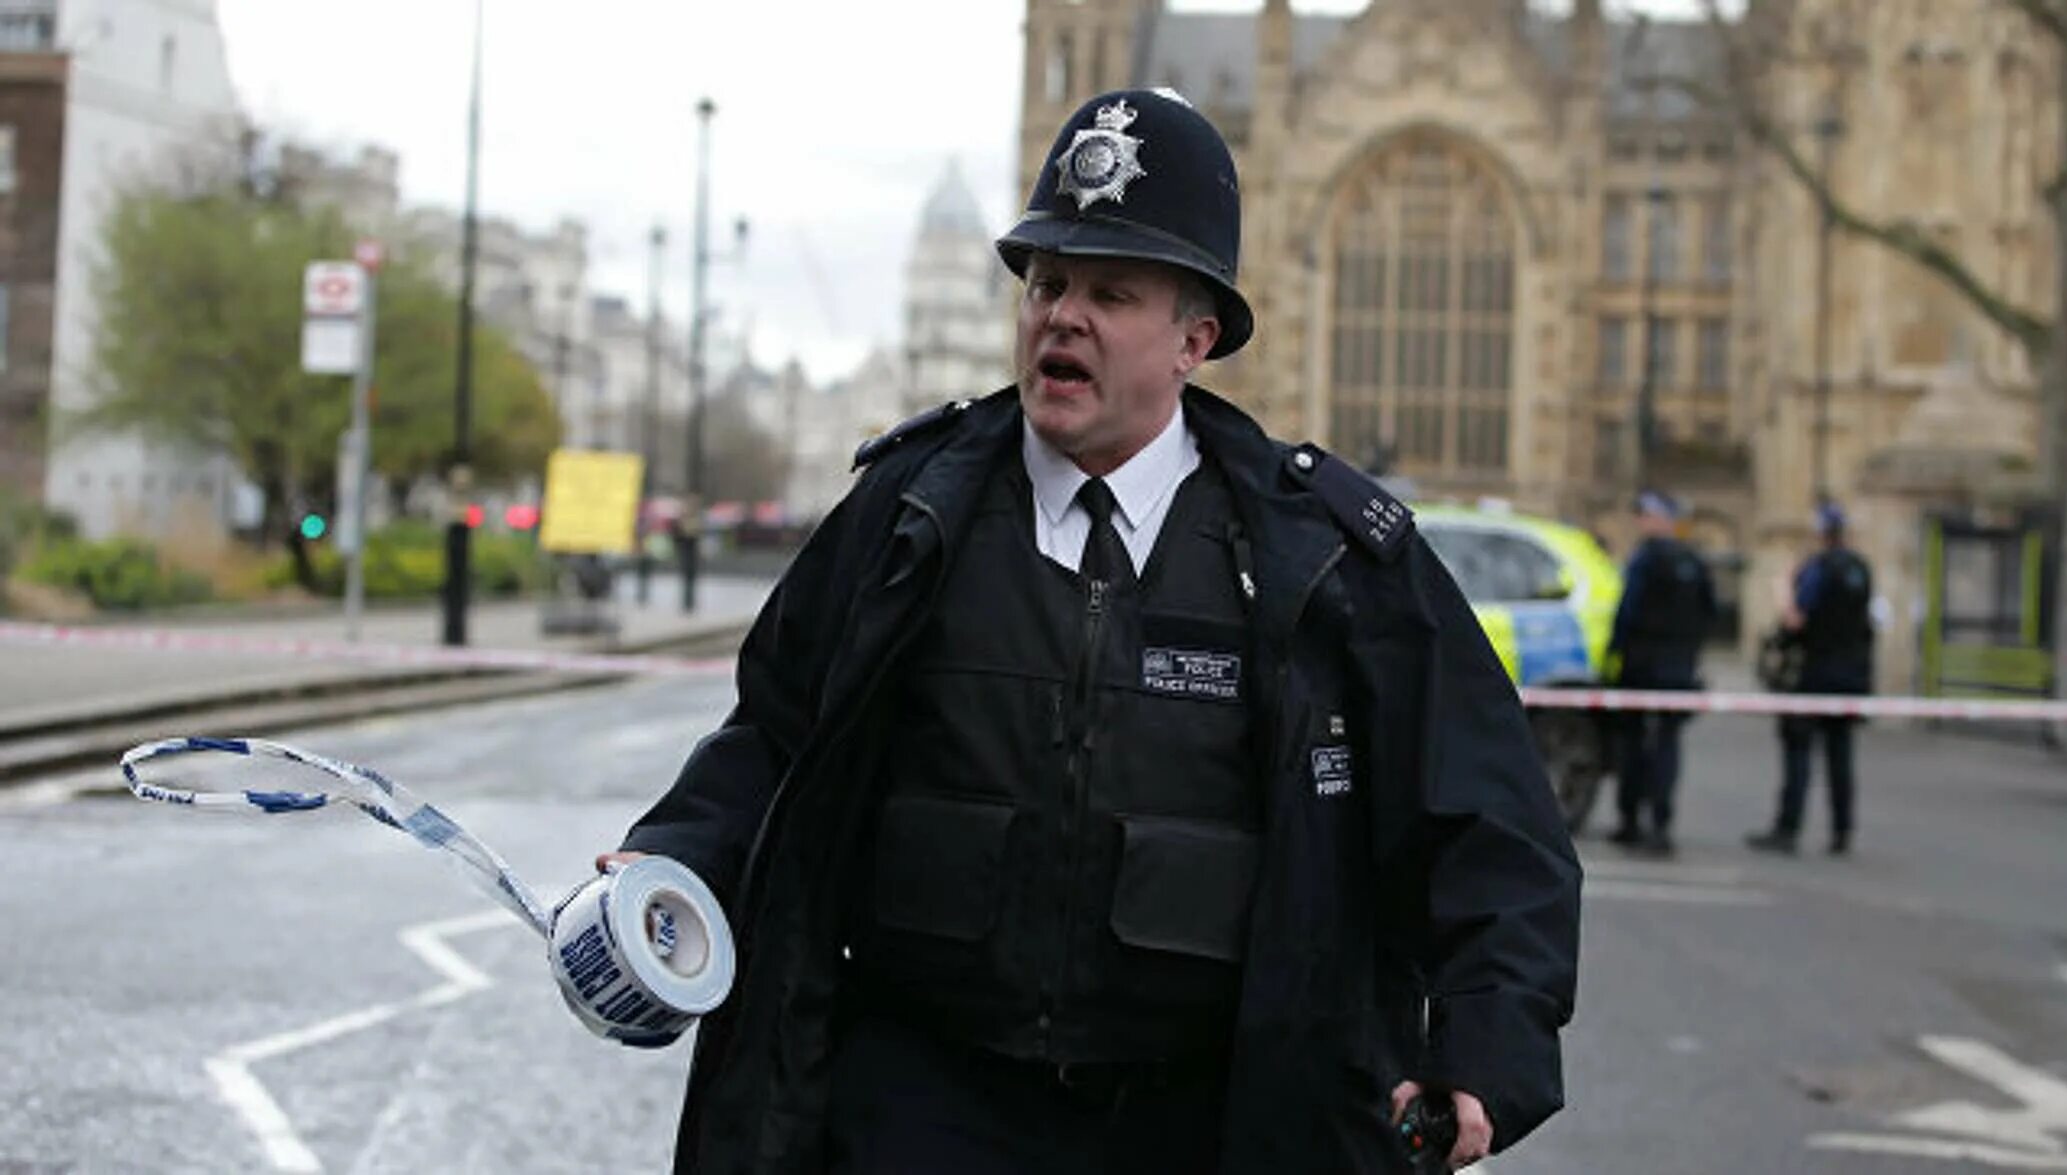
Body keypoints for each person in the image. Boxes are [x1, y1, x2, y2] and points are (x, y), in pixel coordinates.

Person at [598, 89, 1580, 1175]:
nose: (1061, 314)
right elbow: (775, 737)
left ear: (1193, 338)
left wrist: (1489, 1032)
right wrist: (672, 857)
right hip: (920, 1105)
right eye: (1048, 283)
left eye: (1109, 292)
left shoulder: (1325, 557)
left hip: (1204, 1116)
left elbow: (1488, 814)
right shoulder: (908, 512)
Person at [1748, 500, 1874, 856]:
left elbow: (1795, 620)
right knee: (1841, 754)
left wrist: (1784, 588)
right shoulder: (1860, 569)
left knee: (1799, 752)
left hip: (1814, 671)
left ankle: (1788, 828)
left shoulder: (1818, 569)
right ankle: (1842, 830)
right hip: (1850, 674)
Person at [1606, 490, 1716, 855]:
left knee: (1635, 743)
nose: (1641, 522)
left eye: (1645, 515)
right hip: (1679, 666)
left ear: (1661, 519)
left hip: (1642, 663)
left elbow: (1628, 608)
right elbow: (1709, 611)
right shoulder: (1694, 560)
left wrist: (1614, 652)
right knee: (1667, 744)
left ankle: (1630, 821)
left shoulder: (1646, 559)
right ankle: (1661, 824)